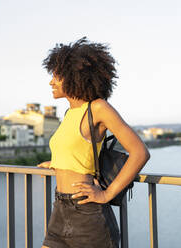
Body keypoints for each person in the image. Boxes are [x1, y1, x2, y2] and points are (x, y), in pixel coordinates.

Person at [37, 38, 150, 248]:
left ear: (74, 76)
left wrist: (106, 194)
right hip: (60, 208)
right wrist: (56, 163)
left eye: (57, 76)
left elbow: (140, 152)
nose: (51, 82)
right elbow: (78, 150)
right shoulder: (69, 113)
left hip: (88, 214)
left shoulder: (98, 108)